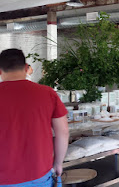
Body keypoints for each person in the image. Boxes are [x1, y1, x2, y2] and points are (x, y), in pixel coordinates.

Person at [0, 48, 69, 186]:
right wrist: (58, 164)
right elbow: (63, 132)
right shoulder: (47, 93)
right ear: (26, 68)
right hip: (39, 174)